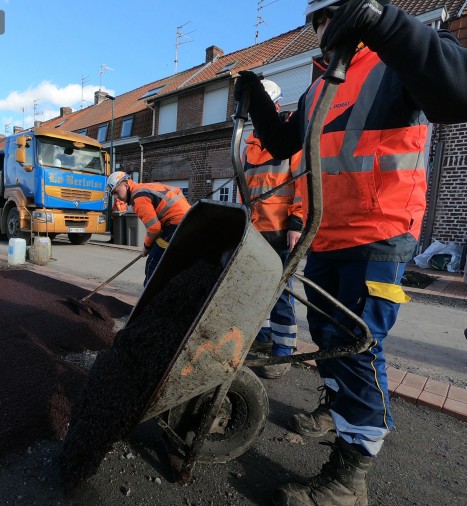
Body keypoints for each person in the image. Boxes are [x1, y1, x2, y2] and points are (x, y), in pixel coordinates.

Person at [234, 1, 467, 504]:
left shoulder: (399, 60)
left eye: (332, 16)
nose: (324, 29)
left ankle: (350, 475)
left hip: (378, 235)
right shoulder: (322, 85)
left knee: (357, 345)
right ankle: (339, 409)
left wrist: (386, 25)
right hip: (328, 233)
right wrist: (256, 99)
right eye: (317, 21)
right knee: (330, 340)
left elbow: (458, 92)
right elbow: (283, 143)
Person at [242, 79, 302, 379]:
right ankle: (264, 335)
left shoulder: (292, 138)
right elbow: (246, 190)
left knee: (280, 293)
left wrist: (298, 223)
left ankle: (283, 351)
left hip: (281, 230)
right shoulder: (249, 145)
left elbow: (302, 185)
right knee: (258, 288)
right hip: (255, 231)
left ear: (275, 106)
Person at [107, 171, 191, 285]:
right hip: (187, 219)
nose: (117, 197)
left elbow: (154, 228)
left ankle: (150, 299)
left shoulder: (138, 198)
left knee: (153, 262)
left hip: (176, 225)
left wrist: (147, 247)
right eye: (113, 194)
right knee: (165, 259)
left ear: (126, 185)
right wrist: (185, 210)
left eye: (116, 192)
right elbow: (177, 191)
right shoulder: (145, 187)